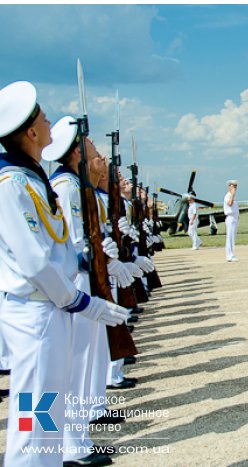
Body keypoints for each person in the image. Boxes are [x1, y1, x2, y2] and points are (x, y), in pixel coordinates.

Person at [0, 81, 129, 467]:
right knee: (34, 411)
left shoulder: (32, 180)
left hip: (49, 309)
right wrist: (81, 301)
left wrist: (93, 262)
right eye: (43, 117)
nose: (48, 120)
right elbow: (35, 262)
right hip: (36, 309)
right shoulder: (11, 185)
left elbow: (58, 249)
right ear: (31, 132)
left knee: (48, 405)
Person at [224, 179, 239, 262]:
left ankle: (232, 254)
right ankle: (229, 255)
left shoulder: (232, 196)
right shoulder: (228, 195)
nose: (235, 188)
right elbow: (230, 203)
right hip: (230, 218)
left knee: (233, 237)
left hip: (234, 218)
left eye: (236, 186)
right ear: (229, 186)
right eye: (233, 186)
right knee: (230, 237)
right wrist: (232, 194)